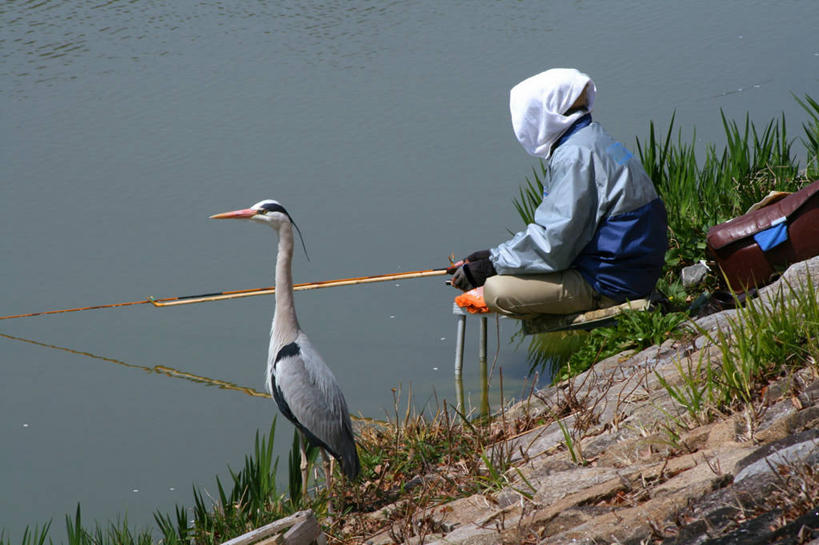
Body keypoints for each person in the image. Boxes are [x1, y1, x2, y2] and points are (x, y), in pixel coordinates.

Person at [448, 68, 667, 318]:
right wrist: (493, 256)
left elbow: (554, 243)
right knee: (506, 273)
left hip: (612, 283)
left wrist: (491, 266)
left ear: (546, 113)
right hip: (631, 269)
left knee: (496, 290)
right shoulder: (591, 138)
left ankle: (599, 304)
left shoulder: (574, 156)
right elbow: (559, 231)